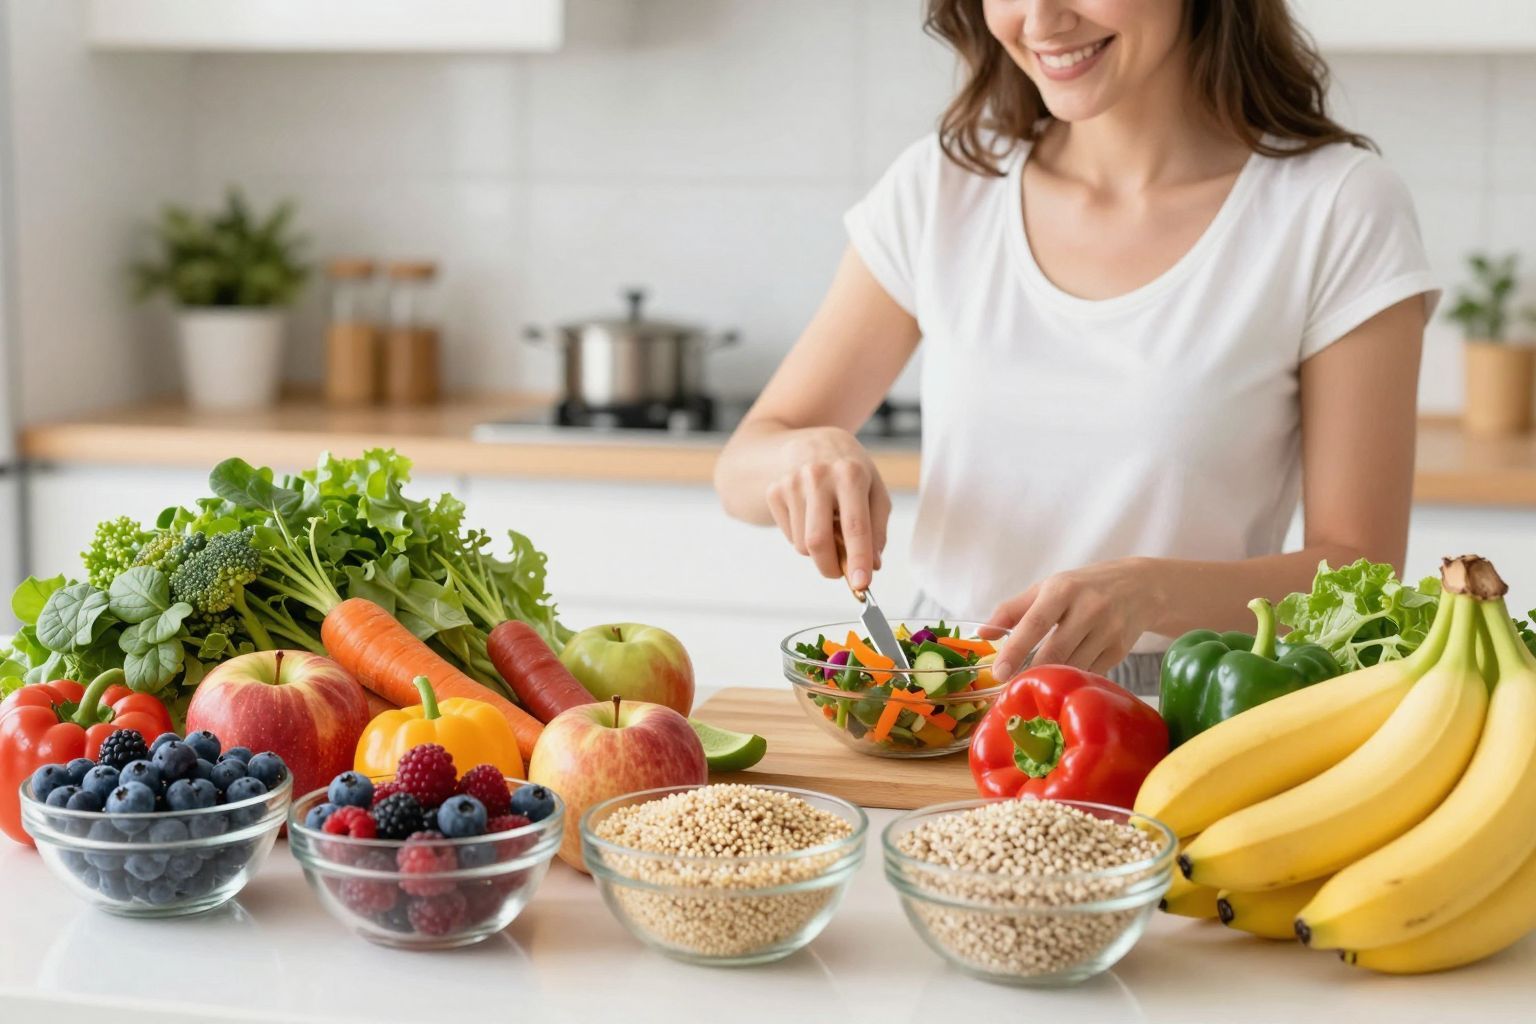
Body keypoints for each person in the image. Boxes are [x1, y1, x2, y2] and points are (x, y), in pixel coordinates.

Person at [714, 0, 1438, 695]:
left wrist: (1150, 592)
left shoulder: (1337, 207)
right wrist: (802, 455)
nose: (1041, 20)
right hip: (943, 691)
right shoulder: (945, 188)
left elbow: (1362, 571)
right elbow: (743, 466)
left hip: (1187, 702)